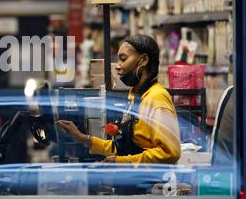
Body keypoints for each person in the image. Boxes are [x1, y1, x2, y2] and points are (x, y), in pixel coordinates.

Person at [57, 35, 181, 164]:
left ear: (143, 60)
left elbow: (170, 152)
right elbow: (124, 148)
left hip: (153, 182)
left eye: (123, 59)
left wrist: (122, 162)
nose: (117, 66)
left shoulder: (157, 98)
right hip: (136, 179)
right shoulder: (135, 96)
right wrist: (84, 139)